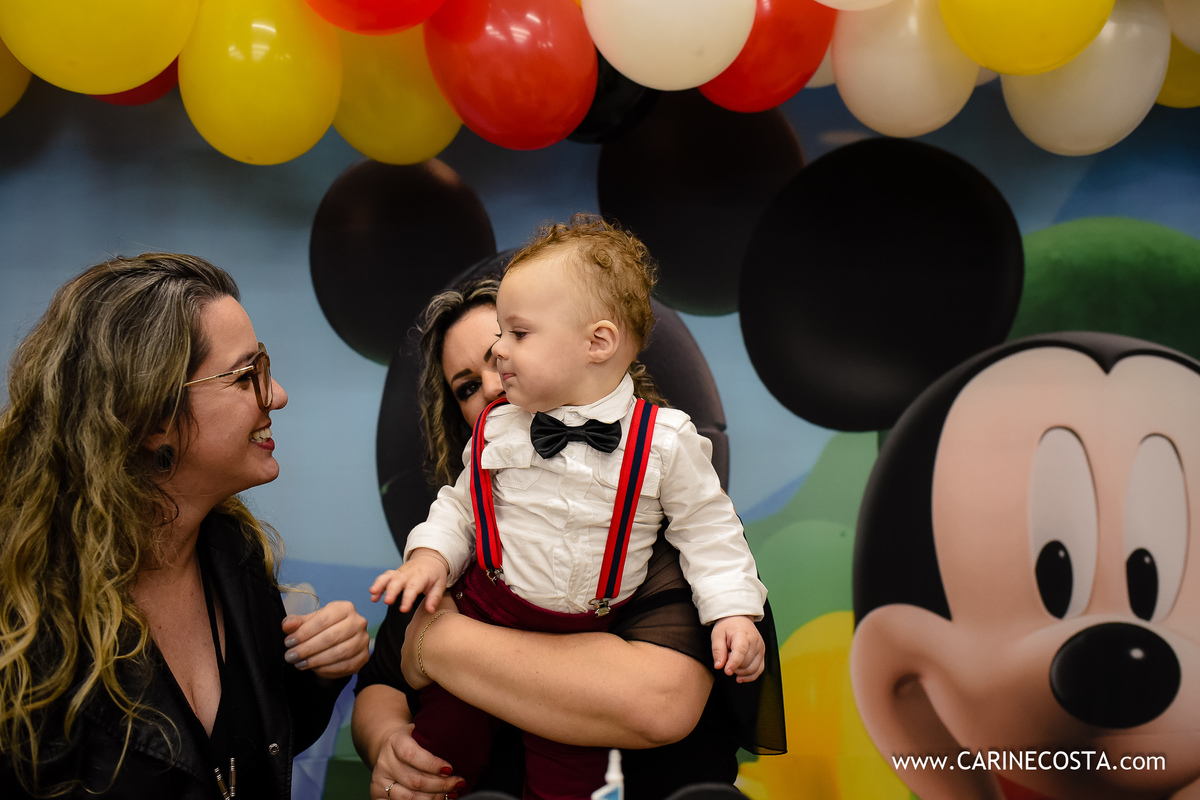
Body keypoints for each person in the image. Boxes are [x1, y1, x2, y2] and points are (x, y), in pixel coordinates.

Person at [362, 216, 777, 799]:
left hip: (586, 620)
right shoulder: (496, 438)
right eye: (466, 385)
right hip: (489, 601)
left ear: (596, 343)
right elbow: (454, 513)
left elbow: (712, 536)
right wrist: (429, 559)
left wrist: (732, 613)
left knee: (569, 780)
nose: (497, 366)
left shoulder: (664, 447)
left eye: (513, 337)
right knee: (443, 745)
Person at [0, 253, 371, 799]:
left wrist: (318, 674)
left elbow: (238, 759)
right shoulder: (26, 618)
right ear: (152, 416)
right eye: (246, 376)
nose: (277, 395)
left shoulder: (234, 554)